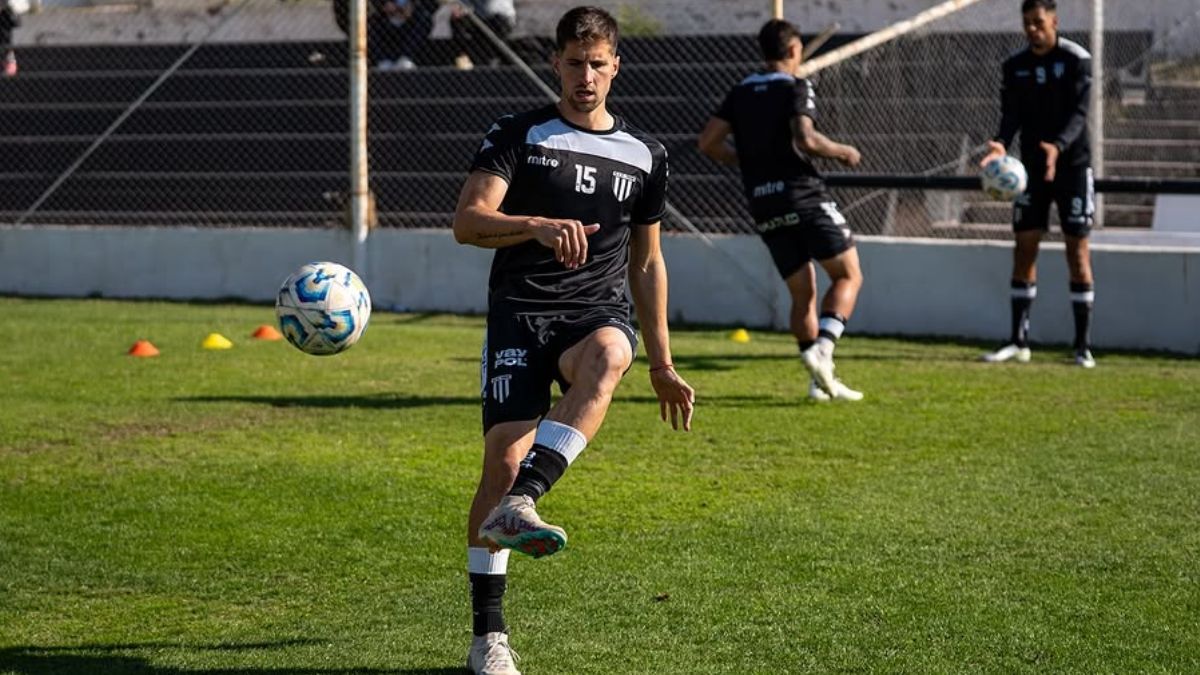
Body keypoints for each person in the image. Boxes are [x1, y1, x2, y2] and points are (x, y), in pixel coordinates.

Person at [451, 6, 695, 674]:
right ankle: (488, 636)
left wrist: (664, 362)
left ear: (616, 65)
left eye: (597, 64)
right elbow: (468, 222)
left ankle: (525, 500)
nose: (585, 76)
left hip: (594, 311)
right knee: (499, 460)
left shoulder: (647, 155)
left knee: (614, 354)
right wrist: (534, 222)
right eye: (573, 63)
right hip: (520, 313)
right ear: (555, 63)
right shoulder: (519, 134)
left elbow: (646, 262)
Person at [697, 18, 865, 402]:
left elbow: (708, 143)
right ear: (794, 50)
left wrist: (749, 161)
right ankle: (822, 349)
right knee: (848, 275)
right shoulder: (795, 86)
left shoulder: (740, 91)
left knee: (802, 293)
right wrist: (843, 151)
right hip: (802, 195)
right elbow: (806, 138)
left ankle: (818, 382)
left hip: (763, 201)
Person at [979, 0, 1096, 368]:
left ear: (1054, 22)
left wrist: (1057, 147)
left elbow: (1080, 113)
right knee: (1024, 247)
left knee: (1077, 252)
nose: (1032, 29)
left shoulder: (1077, 59)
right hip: (1030, 169)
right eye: (1027, 23)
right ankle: (1018, 341)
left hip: (1072, 167)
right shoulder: (1015, 66)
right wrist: (1000, 142)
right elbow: (1011, 113)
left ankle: (1082, 346)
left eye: (1039, 22)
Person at [1, 0, 19, 78]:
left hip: (6, 45)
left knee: (10, 65)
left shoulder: (6, 13)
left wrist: (8, 9)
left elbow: (17, 23)